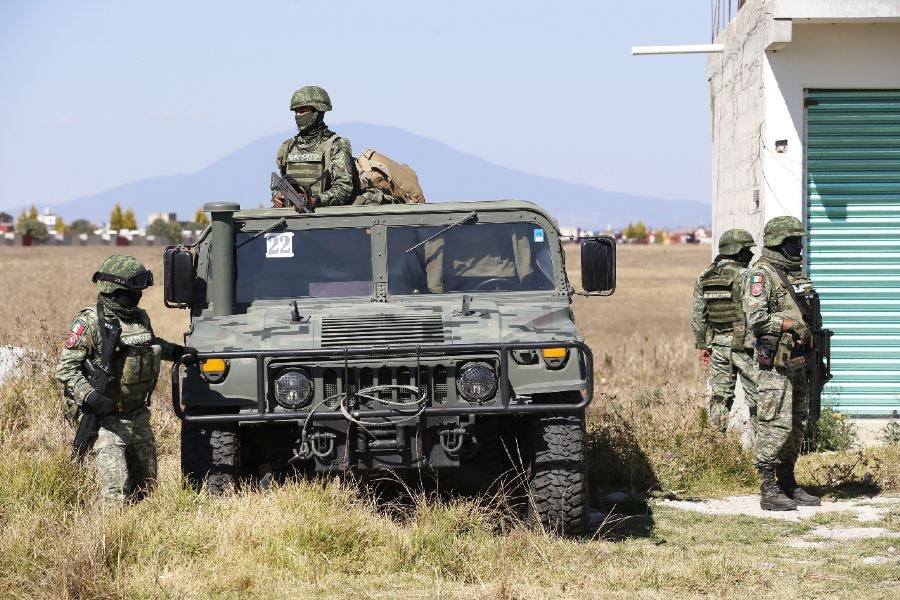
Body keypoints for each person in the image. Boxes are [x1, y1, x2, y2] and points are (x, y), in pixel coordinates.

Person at [56, 255, 189, 504]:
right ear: (114, 289)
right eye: (132, 290)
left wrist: (178, 353)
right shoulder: (90, 322)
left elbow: (151, 343)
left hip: (138, 414)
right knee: (116, 491)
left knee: (147, 487)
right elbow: (66, 370)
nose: (137, 296)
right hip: (106, 419)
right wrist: (92, 397)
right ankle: (110, 539)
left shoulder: (139, 317)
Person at [744, 216, 821, 511]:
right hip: (775, 362)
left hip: (800, 360)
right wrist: (789, 324)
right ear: (777, 244)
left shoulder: (796, 274)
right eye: (792, 242)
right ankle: (768, 487)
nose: (799, 247)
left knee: (797, 424)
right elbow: (756, 318)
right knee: (775, 423)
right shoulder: (762, 275)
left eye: (800, 242)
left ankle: (787, 481)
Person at [691, 228, 759, 433]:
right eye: (747, 249)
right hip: (746, 347)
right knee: (758, 399)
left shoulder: (705, 276)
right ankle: (759, 454)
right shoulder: (748, 275)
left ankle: (714, 448)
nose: (751, 254)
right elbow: (757, 312)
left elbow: (697, 317)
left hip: (719, 347)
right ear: (737, 251)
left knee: (719, 398)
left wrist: (703, 345)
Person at [272, 85, 355, 209]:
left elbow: (343, 190)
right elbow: (282, 183)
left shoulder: (335, 145)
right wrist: (277, 196)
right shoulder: (288, 146)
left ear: (318, 111)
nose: (298, 115)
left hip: (323, 219)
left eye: (303, 110)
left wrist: (315, 200)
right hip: (290, 219)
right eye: (296, 111)